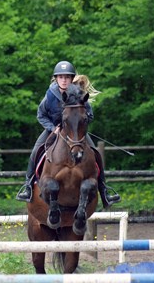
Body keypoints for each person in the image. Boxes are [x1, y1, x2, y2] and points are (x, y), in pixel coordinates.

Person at [16, 61, 118, 208]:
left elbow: (89, 114)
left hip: (76, 132)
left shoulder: (78, 93)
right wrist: (52, 128)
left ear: (71, 79)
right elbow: (41, 115)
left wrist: (81, 121)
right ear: (56, 79)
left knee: (95, 153)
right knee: (35, 151)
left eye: (67, 77)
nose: (64, 80)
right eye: (61, 77)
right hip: (54, 129)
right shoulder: (50, 96)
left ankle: (104, 191)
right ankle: (27, 186)